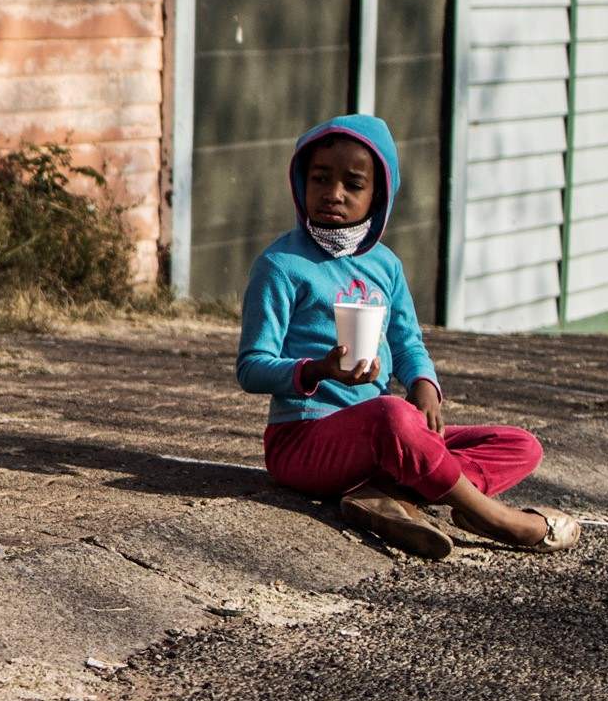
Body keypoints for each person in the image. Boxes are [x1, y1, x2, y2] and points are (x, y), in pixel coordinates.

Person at [237, 114, 579, 557]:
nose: (333, 194)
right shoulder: (281, 265)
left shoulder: (386, 266)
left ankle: (382, 495)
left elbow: (408, 341)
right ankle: (493, 517)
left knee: (519, 445)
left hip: (385, 436)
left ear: (378, 195)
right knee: (391, 415)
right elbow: (251, 368)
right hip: (304, 442)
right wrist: (317, 369)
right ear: (301, 181)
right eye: (320, 178)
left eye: (353, 184)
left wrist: (424, 384)